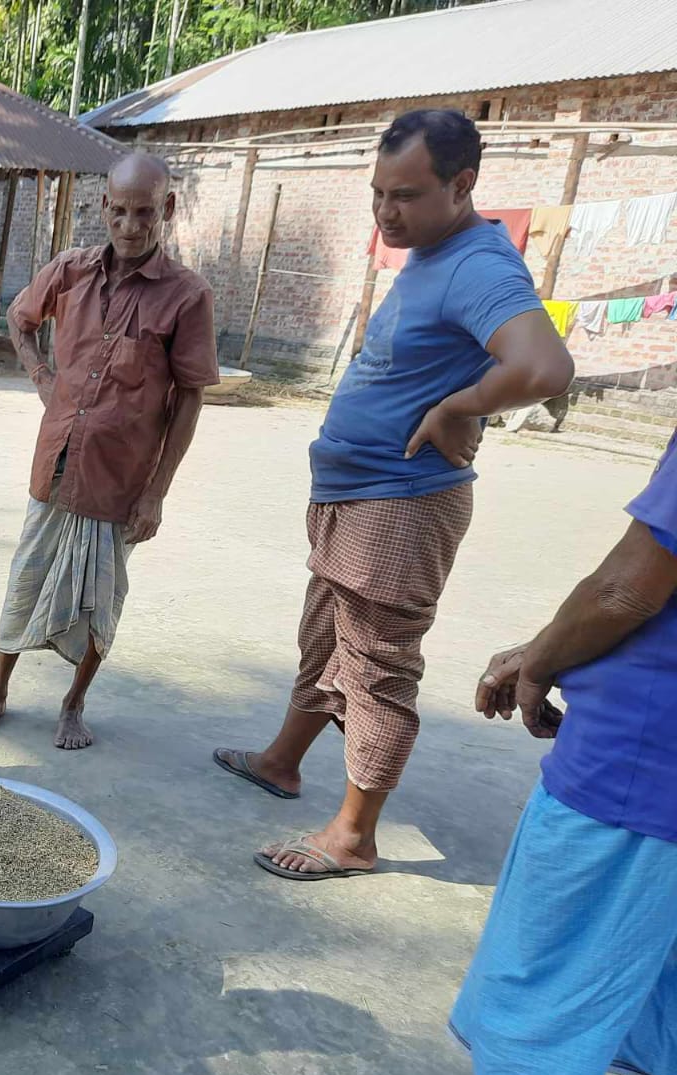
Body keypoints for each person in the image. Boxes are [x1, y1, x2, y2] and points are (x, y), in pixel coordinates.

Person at [212, 109, 575, 881]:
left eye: (405, 195)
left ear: (462, 184)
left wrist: (460, 407)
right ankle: (282, 761)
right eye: (378, 192)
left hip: (401, 502)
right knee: (324, 638)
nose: (386, 211)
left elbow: (544, 367)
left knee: (377, 667)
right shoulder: (433, 250)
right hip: (356, 492)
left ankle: (353, 837)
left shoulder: (479, 265)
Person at [371, 427, 677, 1075]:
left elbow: (628, 590)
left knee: (543, 1001)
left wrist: (538, 661)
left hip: (640, 778)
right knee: (670, 1018)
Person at [0, 152, 218, 750]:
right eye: (119, 211)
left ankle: (74, 704)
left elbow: (189, 399)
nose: (130, 226)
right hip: (56, 464)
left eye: (144, 213)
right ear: (103, 207)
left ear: (167, 209)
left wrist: (156, 494)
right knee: (24, 580)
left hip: (121, 482)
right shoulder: (70, 270)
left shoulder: (187, 296)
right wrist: (41, 377)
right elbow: (19, 318)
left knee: (101, 600)